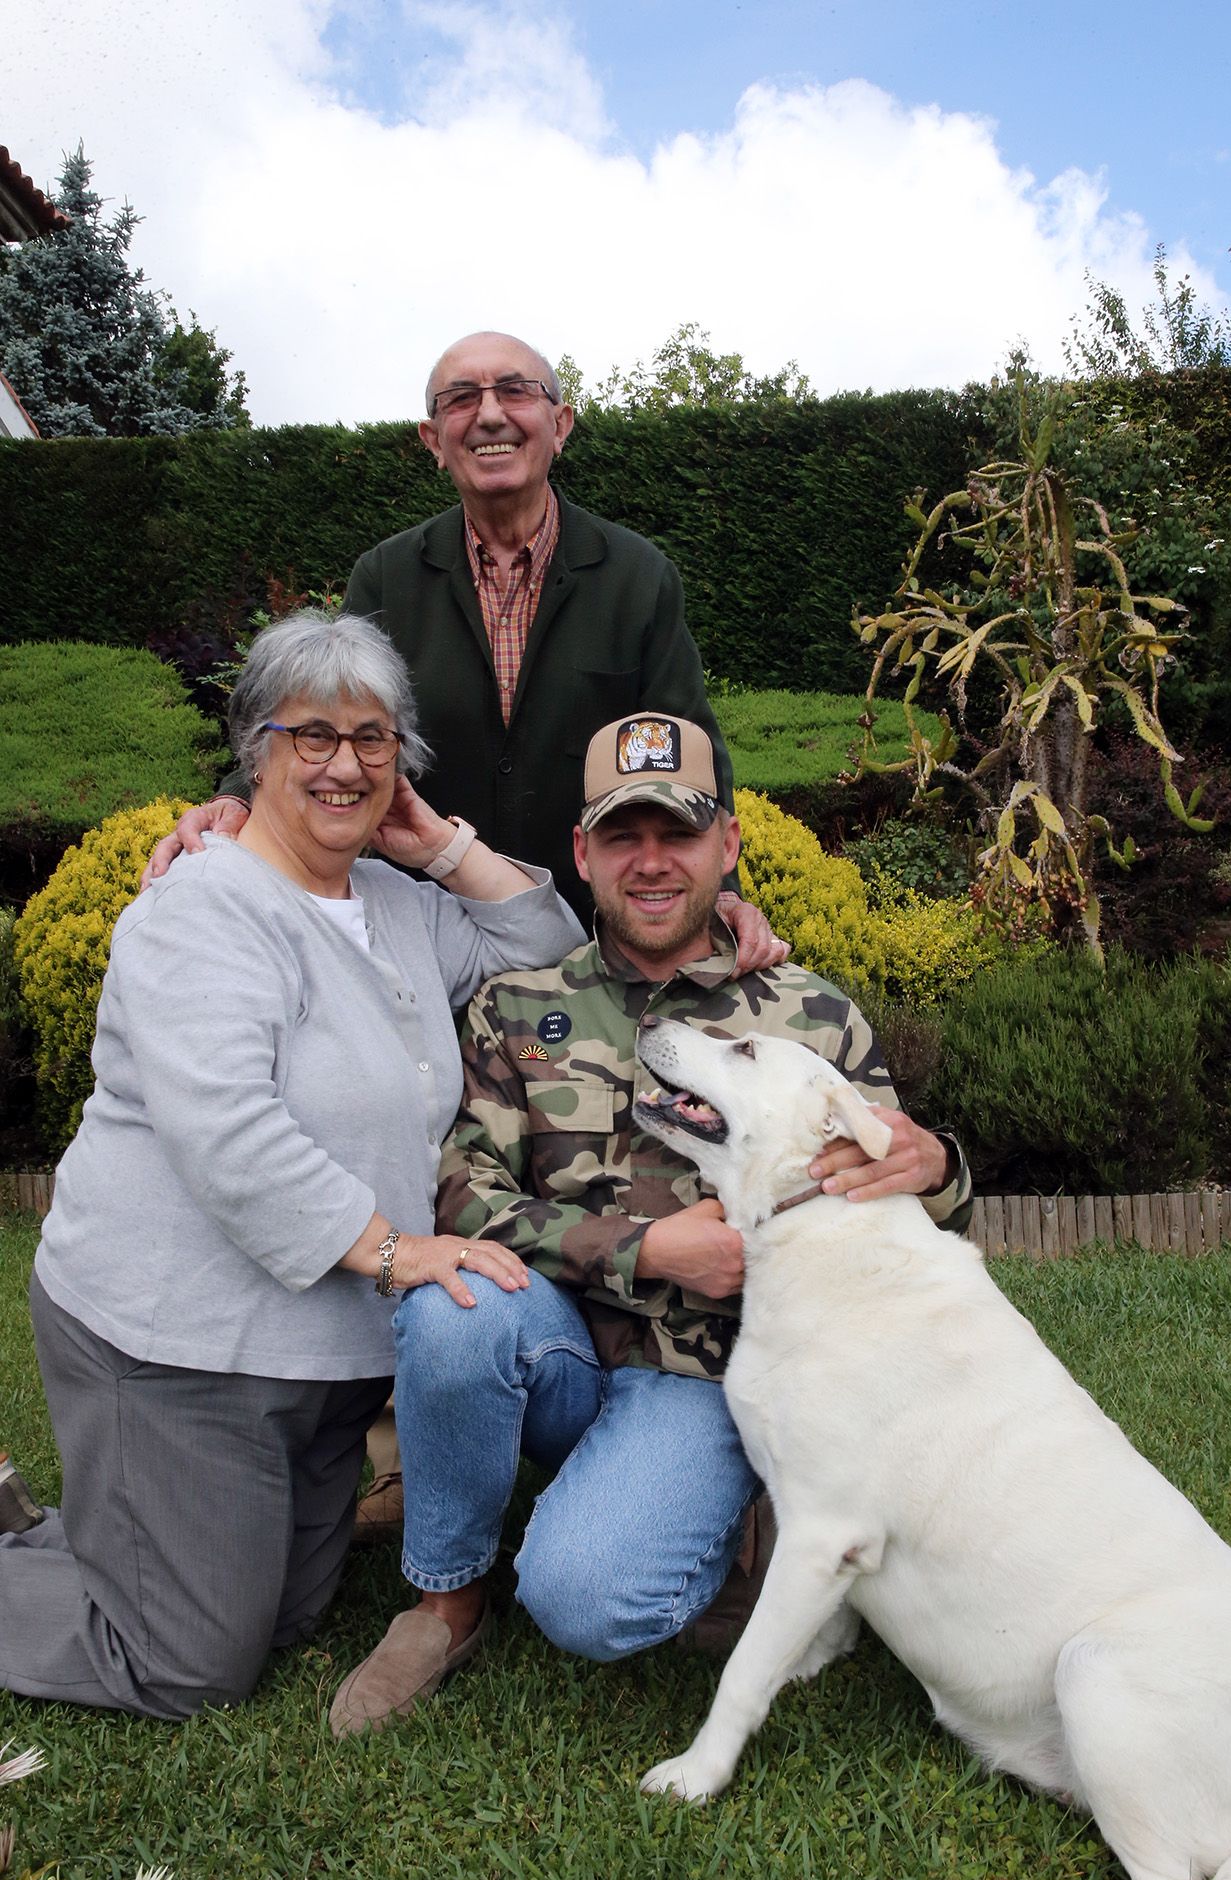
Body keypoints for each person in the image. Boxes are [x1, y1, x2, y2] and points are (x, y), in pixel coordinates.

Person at [329, 710, 971, 1738]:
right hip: (554, 1352)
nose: (654, 862)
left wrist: (940, 1166)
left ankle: (726, 1512)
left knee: (589, 1600)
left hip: (709, 1383)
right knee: (450, 1308)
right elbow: (463, 1196)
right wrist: (644, 1250)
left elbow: (892, 1205)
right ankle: (445, 1599)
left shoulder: (810, 1016)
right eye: (624, 834)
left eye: (679, 831)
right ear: (582, 852)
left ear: (728, 843)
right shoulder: (515, 1005)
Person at [0, 612, 583, 1720]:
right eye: (310, 733)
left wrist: (438, 843)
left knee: (287, 1611)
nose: (344, 762)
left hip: (316, 1356)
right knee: (187, 1660)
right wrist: (397, 1251)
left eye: (373, 738)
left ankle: (71, 1533)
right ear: (255, 746)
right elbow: (228, 1129)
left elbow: (545, 953)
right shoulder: (203, 905)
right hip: (174, 1338)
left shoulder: (400, 907)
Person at [145, 327, 781, 963]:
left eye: (514, 391)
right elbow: (320, 717)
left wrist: (722, 893)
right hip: (434, 940)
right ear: (433, 441)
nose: (490, 414)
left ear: (560, 425)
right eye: (460, 399)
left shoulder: (636, 577)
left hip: (600, 944)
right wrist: (233, 798)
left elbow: (688, 743)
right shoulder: (388, 576)